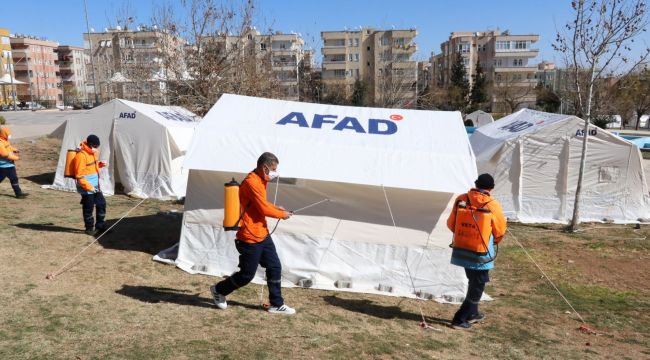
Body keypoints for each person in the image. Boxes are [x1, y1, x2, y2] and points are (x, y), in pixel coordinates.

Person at [210, 152, 296, 315]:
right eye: (273, 169)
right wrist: (281, 215)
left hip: (262, 233)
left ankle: (276, 304)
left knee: (274, 266)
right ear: (264, 167)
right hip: (249, 236)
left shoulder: (261, 180)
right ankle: (218, 290)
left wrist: (277, 208)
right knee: (246, 275)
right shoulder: (252, 182)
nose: (274, 173)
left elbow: (260, 203)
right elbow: (263, 208)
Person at [446, 173, 507, 329]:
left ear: (476, 184)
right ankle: (460, 319)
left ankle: (473, 313)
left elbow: (451, 223)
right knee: (478, 284)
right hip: (481, 252)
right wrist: (494, 241)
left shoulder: (462, 198)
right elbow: (500, 230)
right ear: (491, 188)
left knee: (473, 280)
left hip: (462, 247)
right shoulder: (492, 204)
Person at [72, 134, 108, 236]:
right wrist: (89, 187)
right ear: (91, 144)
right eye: (95, 146)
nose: (97, 148)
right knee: (89, 207)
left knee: (101, 204)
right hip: (86, 187)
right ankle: (89, 228)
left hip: (95, 186)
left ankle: (100, 225)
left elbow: (91, 167)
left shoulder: (93, 153)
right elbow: (79, 176)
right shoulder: (81, 156)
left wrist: (100, 164)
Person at [0, 127, 28, 198]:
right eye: (7, 134)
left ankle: (18, 193)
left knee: (14, 179)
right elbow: (5, 154)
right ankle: (18, 193)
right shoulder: (0, 143)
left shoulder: (5, 141)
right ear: (3, 134)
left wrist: (14, 150)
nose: (9, 136)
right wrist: (16, 158)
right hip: (3, 166)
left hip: (9, 165)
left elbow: (9, 147)